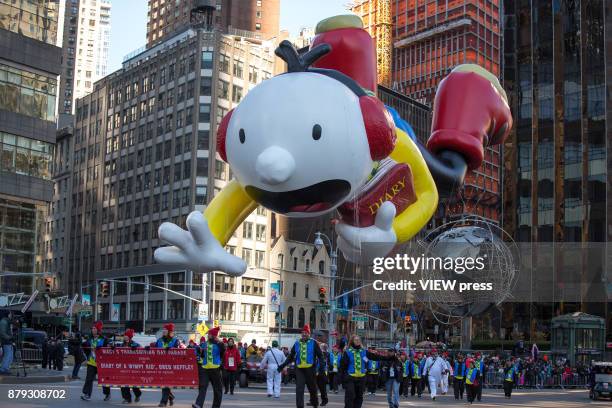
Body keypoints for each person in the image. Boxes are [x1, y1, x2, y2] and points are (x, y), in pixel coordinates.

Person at [339, 334, 395, 408]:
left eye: (359, 340)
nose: (358, 341)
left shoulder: (364, 351)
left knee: (359, 397)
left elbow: (375, 357)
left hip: (361, 378)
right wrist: (343, 380)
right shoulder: (348, 352)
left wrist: (389, 357)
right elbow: (343, 367)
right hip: (350, 378)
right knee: (350, 396)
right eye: (356, 340)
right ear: (352, 341)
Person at [277, 324, 323, 408]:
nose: (304, 334)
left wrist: (321, 369)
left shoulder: (314, 343)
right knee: (299, 390)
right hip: (299, 369)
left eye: (306, 332)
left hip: (310, 369)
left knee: (312, 389)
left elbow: (320, 356)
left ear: (309, 334)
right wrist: (282, 365)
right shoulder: (297, 343)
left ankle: (315, 404)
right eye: (303, 332)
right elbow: (291, 357)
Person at [193, 327, 225, 408]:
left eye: (209, 334)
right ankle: (198, 404)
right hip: (205, 368)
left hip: (215, 369)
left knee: (217, 389)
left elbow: (223, 354)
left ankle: (216, 406)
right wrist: (199, 351)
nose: (208, 335)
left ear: (213, 335)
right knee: (202, 386)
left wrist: (220, 364)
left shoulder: (220, 344)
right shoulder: (205, 343)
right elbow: (202, 354)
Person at [81, 321, 111, 401]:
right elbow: (86, 348)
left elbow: (109, 349)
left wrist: (101, 348)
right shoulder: (90, 339)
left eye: (94, 328)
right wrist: (83, 345)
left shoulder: (104, 339)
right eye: (92, 328)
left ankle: (107, 394)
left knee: (103, 379)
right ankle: (87, 394)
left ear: (98, 330)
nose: (92, 330)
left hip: (101, 363)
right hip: (91, 362)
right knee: (89, 379)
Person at [156, 323, 179, 407]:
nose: (163, 331)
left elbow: (179, 352)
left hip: (171, 365)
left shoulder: (175, 341)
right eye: (163, 330)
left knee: (166, 384)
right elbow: (154, 350)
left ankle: (163, 402)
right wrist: (148, 348)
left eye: (165, 330)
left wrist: (172, 349)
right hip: (161, 364)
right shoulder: (159, 340)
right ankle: (171, 397)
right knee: (163, 384)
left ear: (169, 332)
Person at [120, 329, 142, 404]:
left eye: (126, 335)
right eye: (124, 335)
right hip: (123, 367)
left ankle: (138, 394)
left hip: (133, 367)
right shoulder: (121, 345)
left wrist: (136, 349)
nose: (124, 336)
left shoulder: (135, 344)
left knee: (134, 384)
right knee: (123, 384)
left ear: (129, 337)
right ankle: (127, 398)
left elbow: (141, 350)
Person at [0, 310, 13, 375]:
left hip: (8, 341)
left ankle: (6, 368)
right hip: (6, 341)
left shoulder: (6, 321)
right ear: (8, 314)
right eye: (10, 314)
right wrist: (9, 337)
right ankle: (3, 369)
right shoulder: (4, 321)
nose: (11, 315)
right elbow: (2, 333)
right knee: (7, 355)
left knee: (10, 355)